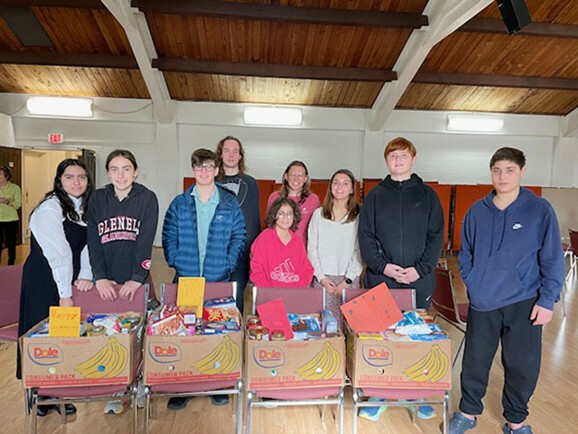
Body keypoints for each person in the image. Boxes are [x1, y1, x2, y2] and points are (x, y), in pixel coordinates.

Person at [449, 147, 565, 434]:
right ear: (491, 172)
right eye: (497, 170)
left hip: (525, 301)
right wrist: (474, 283)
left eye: (509, 170)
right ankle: (467, 413)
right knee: (475, 361)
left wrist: (548, 300)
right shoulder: (477, 211)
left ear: (522, 172)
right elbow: (466, 255)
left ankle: (516, 420)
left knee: (522, 365)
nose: (502, 176)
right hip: (483, 300)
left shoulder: (539, 210)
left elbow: (551, 258)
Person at [358, 137, 444, 421]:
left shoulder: (428, 195)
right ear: (386, 161)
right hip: (383, 278)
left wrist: (420, 269)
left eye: (403, 155)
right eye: (392, 155)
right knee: (383, 336)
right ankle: (380, 393)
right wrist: (385, 267)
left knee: (416, 337)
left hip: (419, 279)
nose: (397, 160)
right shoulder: (374, 196)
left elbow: (435, 238)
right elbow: (366, 238)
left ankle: (415, 394)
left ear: (413, 159)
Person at [163, 148, 246, 409]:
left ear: (217, 169)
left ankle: (216, 383)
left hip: (218, 277)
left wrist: (229, 262)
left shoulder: (229, 203)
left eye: (209, 167)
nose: (204, 172)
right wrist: (175, 259)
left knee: (216, 333)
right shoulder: (180, 203)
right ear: (193, 170)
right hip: (186, 278)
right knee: (185, 332)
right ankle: (185, 385)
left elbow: (239, 236)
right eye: (199, 167)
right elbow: (168, 234)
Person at [17, 159, 94, 417]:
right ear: (59, 180)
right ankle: (40, 394)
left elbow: (87, 247)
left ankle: (57, 390)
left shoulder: (83, 206)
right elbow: (59, 254)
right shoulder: (50, 208)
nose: (76, 182)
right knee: (42, 336)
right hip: (45, 278)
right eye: (70, 177)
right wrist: (65, 295)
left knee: (62, 336)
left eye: (81, 177)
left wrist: (85, 274)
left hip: (66, 278)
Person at [87, 149, 159, 415]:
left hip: (136, 281)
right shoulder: (98, 198)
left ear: (135, 171)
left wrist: (137, 278)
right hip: (108, 281)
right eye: (115, 169)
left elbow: (145, 242)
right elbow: (93, 241)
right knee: (112, 336)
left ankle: (140, 385)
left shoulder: (146, 198)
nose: (121, 174)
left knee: (139, 334)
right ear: (108, 173)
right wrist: (99, 276)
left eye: (126, 168)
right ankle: (116, 390)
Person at [307, 169, 362, 327]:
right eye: (336, 183)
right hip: (323, 280)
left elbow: (359, 250)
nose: (340, 187)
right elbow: (312, 248)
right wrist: (322, 278)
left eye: (345, 184)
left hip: (348, 280)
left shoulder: (358, 216)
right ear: (330, 186)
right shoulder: (319, 214)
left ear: (352, 189)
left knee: (348, 327)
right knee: (323, 326)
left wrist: (348, 280)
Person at [215, 136, 260, 312]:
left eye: (235, 151)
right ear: (221, 154)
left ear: (240, 156)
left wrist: (253, 251)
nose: (231, 155)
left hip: (241, 250)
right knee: (216, 294)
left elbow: (253, 218)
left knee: (237, 296)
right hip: (216, 251)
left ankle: (236, 334)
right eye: (227, 151)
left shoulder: (250, 183)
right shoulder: (212, 181)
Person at [251, 196, 314, 288]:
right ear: (274, 215)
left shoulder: (297, 241)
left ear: (294, 216)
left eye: (289, 214)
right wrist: (268, 293)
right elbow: (256, 270)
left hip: (292, 297)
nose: (285, 218)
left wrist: (298, 291)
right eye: (281, 213)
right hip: (269, 296)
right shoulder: (264, 239)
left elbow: (307, 270)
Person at [266, 161, 320, 245]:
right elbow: (269, 225)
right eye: (292, 174)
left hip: (302, 249)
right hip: (277, 246)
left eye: (300, 175)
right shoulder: (274, 197)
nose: (296, 178)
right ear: (286, 176)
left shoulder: (313, 200)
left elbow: (316, 229)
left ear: (305, 179)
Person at [0, 165, 22, 265]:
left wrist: (7, 202)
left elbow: (18, 204)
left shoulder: (15, 188)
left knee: (11, 244)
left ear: (6, 176)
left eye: (0, 175)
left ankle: (11, 265)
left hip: (11, 219)